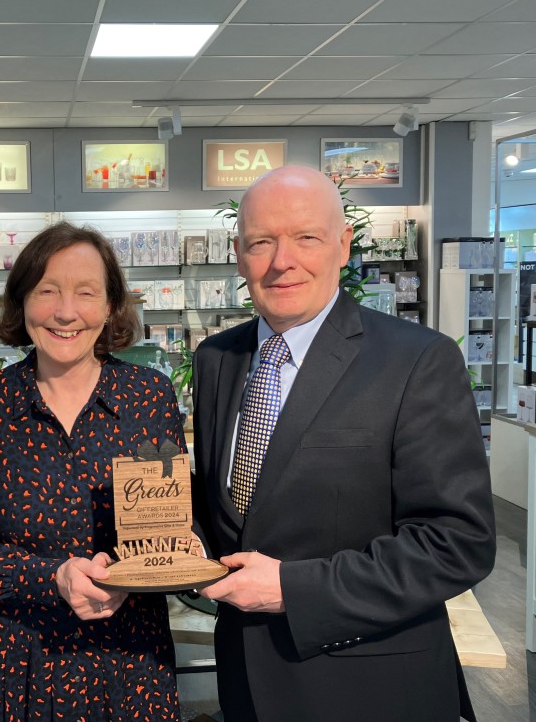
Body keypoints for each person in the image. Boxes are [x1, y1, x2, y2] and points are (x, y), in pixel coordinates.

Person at [192, 165, 497, 722]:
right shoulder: (217, 359)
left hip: (369, 685)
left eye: (306, 237)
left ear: (342, 245)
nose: (283, 260)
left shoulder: (416, 361)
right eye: (262, 241)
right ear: (239, 254)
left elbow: (458, 542)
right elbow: (228, 510)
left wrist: (293, 588)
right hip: (244, 684)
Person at [0, 222, 186, 721]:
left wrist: (168, 560)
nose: (66, 312)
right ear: (22, 301)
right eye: (46, 291)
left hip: (127, 661)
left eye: (85, 293)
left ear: (112, 305)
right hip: (14, 662)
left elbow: (170, 521)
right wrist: (51, 577)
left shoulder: (148, 397)